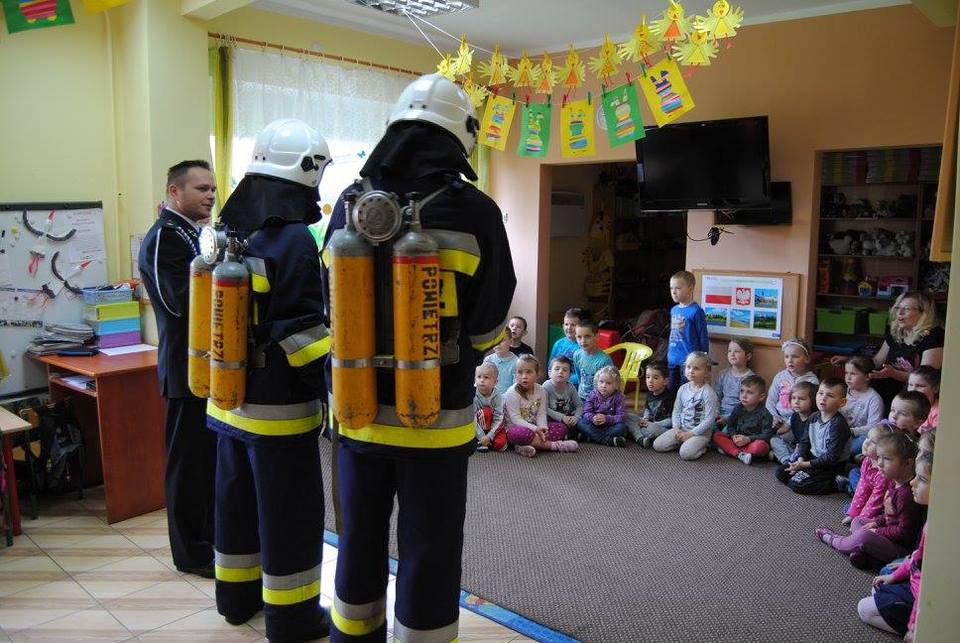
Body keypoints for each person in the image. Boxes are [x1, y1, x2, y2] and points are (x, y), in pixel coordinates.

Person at [321, 74, 517, 642]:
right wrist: (452, 362)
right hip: (438, 415)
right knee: (429, 541)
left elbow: (327, 296)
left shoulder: (348, 207)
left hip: (356, 412)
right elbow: (489, 315)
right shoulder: (476, 211)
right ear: (461, 135)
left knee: (357, 534)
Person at [205, 119, 333, 639]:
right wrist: (332, 384)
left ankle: (236, 599)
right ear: (306, 174)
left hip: (227, 399)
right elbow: (303, 331)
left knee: (235, 504)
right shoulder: (294, 237)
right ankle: (293, 616)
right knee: (290, 516)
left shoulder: (230, 227)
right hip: (279, 410)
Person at [137, 160, 217, 579]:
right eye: (202, 188)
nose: (210, 195)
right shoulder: (165, 237)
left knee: (207, 464)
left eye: (213, 189)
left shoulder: (193, 232)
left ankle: (211, 539)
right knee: (187, 467)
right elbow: (181, 304)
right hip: (185, 370)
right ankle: (192, 553)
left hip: (205, 366)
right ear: (174, 193)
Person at [817, 431, 921, 569]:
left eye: (887, 459)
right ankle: (866, 552)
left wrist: (877, 531)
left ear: (907, 463)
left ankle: (835, 540)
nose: (880, 463)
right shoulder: (894, 480)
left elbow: (905, 533)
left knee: (864, 536)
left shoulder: (907, 495)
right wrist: (876, 523)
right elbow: (890, 516)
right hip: (889, 532)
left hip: (902, 548)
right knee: (858, 521)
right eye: (879, 458)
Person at [858, 451, 933, 642]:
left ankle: (919, 632)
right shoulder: (929, 521)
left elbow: (925, 587)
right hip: (913, 577)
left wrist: (914, 626)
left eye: (921, 479)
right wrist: (894, 576)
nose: (913, 483)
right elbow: (916, 558)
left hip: (921, 596)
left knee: (864, 609)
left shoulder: (933, 527)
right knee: (880, 582)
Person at [832, 290, 944, 408]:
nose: (900, 312)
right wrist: (851, 361)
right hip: (886, 392)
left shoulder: (934, 335)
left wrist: (894, 374)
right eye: (898, 308)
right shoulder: (895, 333)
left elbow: (926, 379)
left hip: (913, 399)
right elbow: (876, 362)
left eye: (906, 308)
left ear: (923, 313)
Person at [775, 378, 851, 495]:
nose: (823, 398)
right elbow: (804, 441)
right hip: (812, 459)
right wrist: (800, 459)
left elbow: (831, 458)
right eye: (820, 393)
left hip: (831, 466)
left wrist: (803, 465)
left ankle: (836, 482)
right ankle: (806, 473)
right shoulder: (813, 417)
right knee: (781, 473)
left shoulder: (838, 424)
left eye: (830, 395)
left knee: (796, 484)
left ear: (842, 402)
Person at [505, 355, 579, 457]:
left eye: (528, 372)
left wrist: (544, 429)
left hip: (536, 428)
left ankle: (522, 446)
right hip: (516, 428)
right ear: (515, 374)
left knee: (561, 428)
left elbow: (541, 413)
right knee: (519, 433)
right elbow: (515, 419)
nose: (524, 376)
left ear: (537, 374)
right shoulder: (512, 393)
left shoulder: (541, 391)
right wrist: (536, 429)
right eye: (520, 372)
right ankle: (555, 446)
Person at [653, 351, 718, 460]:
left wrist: (691, 434)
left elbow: (709, 419)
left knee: (685, 454)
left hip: (700, 433)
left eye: (696, 368)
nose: (691, 371)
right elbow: (677, 411)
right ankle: (685, 442)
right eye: (688, 367)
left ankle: (703, 446)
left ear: (707, 372)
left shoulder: (709, 393)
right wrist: (676, 427)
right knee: (658, 445)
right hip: (682, 428)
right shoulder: (682, 389)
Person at [711, 374, 773, 465]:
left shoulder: (765, 414)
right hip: (737, 440)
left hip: (751, 442)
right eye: (742, 391)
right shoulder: (738, 408)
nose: (744, 395)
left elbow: (766, 435)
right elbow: (731, 425)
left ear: (761, 397)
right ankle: (739, 454)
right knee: (717, 435)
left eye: (749, 392)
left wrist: (748, 439)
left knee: (760, 446)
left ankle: (732, 451)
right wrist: (733, 436)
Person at [841, 424, 896, 522]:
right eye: (867, 438)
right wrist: (853, 513)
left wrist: (860, 520)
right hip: (872, 491)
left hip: (883, 502)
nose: (866, 443)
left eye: (873, 442)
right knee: (855, 475)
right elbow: (863, 487)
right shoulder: (867, 460)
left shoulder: (883, 473)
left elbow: (876, 500)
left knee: (881, 516)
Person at [666, 270, 709, 394]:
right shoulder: (674, 310)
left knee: (687, 392)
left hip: (689, 363)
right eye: (671, 288)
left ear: (690, 288)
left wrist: (704, 360)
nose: (673, 291)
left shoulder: (696, 311)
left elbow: (703, 337)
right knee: (672, 392)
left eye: (678, 288)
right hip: (673, 359)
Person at [766, 338, 819, 434]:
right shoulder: (780, 376)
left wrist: (788, 424)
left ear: (806, 359)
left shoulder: (811, 381)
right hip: (777, 419)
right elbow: (771, 400)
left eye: (795, 356)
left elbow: (809, 408)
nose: (790, 360)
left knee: (787, 437)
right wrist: (774, 417)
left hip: (797, 421)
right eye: (786, 357)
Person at [841, 355, 885, 456]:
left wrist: (851, 431)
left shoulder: (874, 399)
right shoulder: (842, 391)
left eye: (853, 373)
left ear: (867, 376)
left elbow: (874, 427)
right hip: (839, 434)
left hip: (857, 437)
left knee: (864, 441)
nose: (848, 377)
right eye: (846, 373)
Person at [576, 365, 627, 447]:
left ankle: (590, 437)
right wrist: (592, 417)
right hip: (594, 424)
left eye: (608, 383)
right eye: (601, 382)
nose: (604, 385)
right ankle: (606, 440)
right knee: (580, 422)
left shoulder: (619, 397)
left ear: (616, 385)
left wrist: (607, 419)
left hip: (609, 426)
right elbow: (586, 412)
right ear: (597, 382)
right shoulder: (592, 394)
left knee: (621, 427)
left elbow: (621, 416)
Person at [630, 361, 676, 448]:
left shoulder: (670, 397)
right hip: (649, 423)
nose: (650, 381)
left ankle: (637, 435)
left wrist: (654, 424)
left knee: (648, 429)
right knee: (628, 416)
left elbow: (671, 421)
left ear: (665, 381)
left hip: (661, 427)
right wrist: (645, 418)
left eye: (655, 378)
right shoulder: (650, 393)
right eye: (648, 377)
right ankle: (640, 437)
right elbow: (648, 409)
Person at [770, 381, 818, 464]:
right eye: (793, 398)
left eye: (801, 399)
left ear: (813, 400)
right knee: (774, 440)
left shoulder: (815, 419)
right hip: (796, 446)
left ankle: (785, 458)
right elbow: (783, 429)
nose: (796, 402)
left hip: (808, 451)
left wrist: (800, 450)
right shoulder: (794, 416)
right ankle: (787, 460)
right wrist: (773, 431)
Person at [542, 355, 583, 441]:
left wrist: (576, 417)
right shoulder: (546, 386)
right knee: (557, 428)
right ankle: (572, 435)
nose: (560, 372)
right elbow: (544, 409)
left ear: (569, 375)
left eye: (565, 370)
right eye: (557, 369)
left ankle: (573, 434)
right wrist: (562, 417)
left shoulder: (571, 387)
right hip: (550, 420)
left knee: (583, 422)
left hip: (567, 418)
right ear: (549, 373)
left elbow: (579, 406)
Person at [715, 338, 755, 424]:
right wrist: (716, 412)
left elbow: (748, 405)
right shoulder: (723, 374)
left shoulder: (751, 378)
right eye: (729, 351)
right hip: (720, 413)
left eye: (736, 351)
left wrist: (728, 418)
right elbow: (717, 396)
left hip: (738, 416)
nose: (732, 354)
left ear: (748, 356)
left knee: (726, 432)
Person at [572, 319, 613, 401]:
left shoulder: (605, 360)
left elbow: (609, 385)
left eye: (587, 336)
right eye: (579, 337)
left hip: (599, 400)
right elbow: (579, 376)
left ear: (597, 337)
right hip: (581, 397)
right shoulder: (577, 355)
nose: (583, 341)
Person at [474, 362, 507, 453]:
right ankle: (480, 441)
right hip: (477, 428)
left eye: (486, 377)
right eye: (479, 377)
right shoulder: (473, 394)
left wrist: (490, 436)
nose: (482, 380)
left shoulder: (498, 396)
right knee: (486, 412)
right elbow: (471, 418)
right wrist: (481, 436)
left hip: (492, 427)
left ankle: (487, 441)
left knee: (501, 445)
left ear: (495, 382)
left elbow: (499, 417)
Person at [548, 307, 583, 388]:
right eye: (566, 324)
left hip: (574, 387)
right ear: (563, 326)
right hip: (556, 383)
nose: (569, 328)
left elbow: (582, 372)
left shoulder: (582, 346)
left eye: (573, 325)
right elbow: (550, 364)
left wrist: (565, 378)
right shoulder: (558, 344)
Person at [907, 366, 940, 432]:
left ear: (935, 388)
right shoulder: (906, 406)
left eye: (919, 386)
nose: (913, 389)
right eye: (910, 385)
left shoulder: (938, 412)